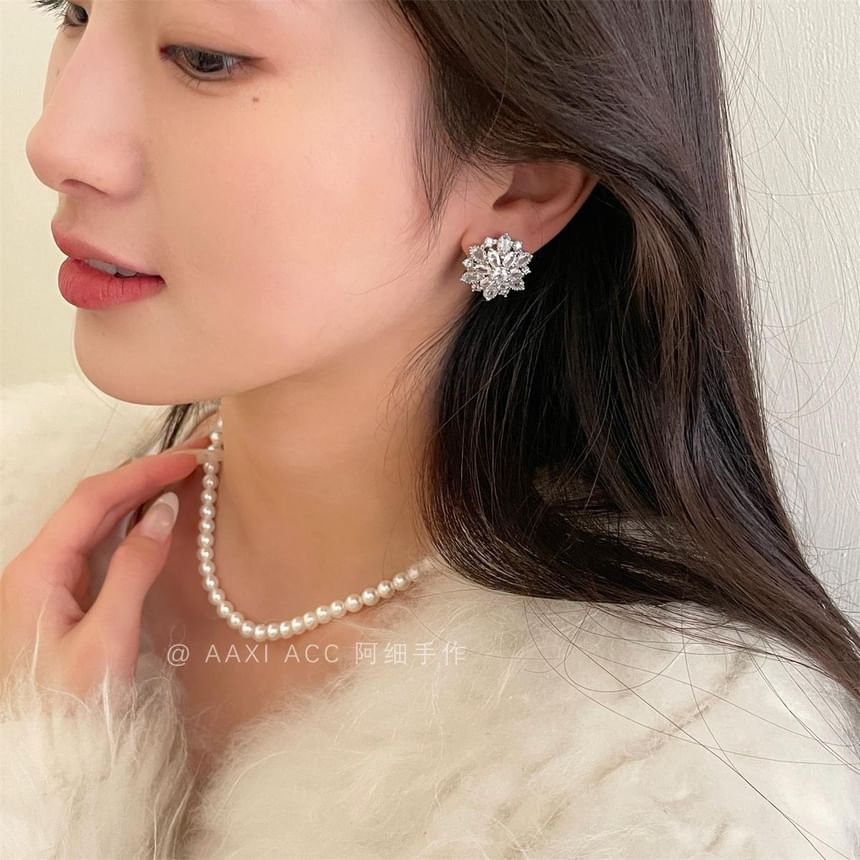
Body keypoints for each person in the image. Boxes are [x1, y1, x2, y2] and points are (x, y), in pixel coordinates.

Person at [1, 0, 858, 857]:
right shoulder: (19, 500)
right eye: (74, 11)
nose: (56, 142)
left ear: (521, 179)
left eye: (204, 58)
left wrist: (53, 791)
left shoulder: (683, 783)